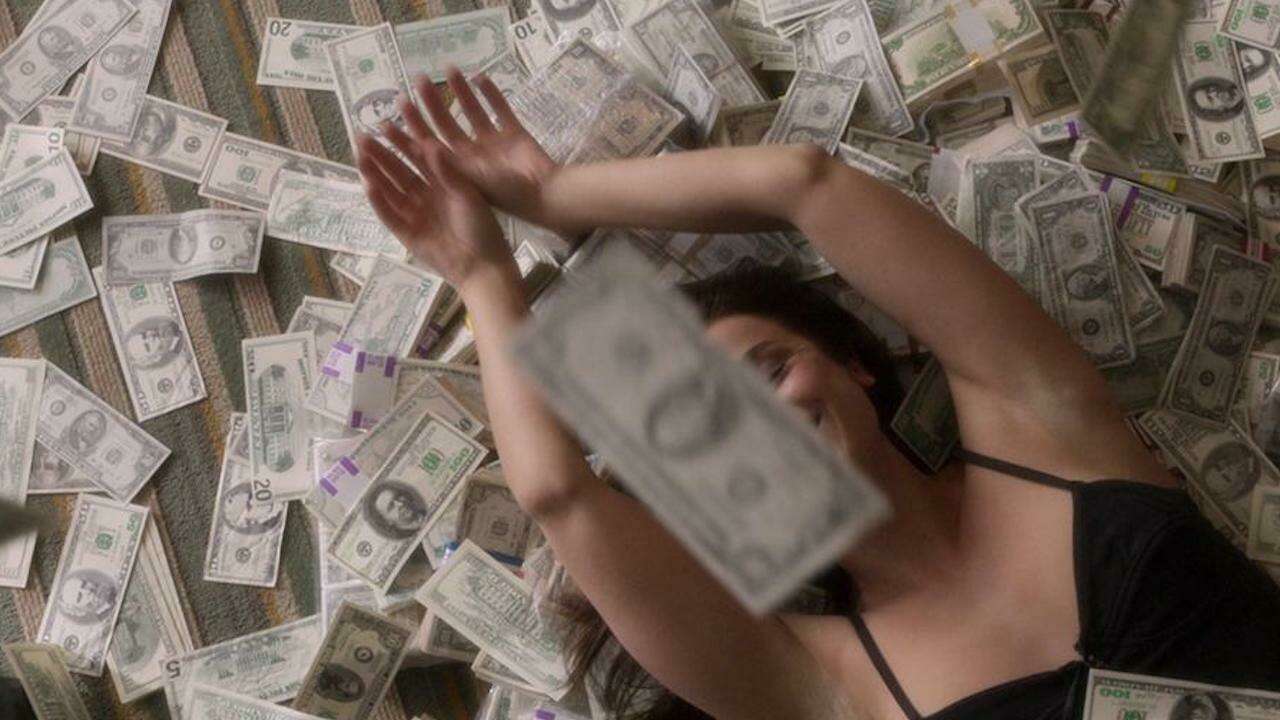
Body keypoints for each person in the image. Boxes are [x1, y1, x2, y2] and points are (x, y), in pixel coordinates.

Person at [355, 67, 1280, 720]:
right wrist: (483, 273)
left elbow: (807, 185)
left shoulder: (1042, 432)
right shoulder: (815, 682)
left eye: (769, 371)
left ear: (856, 365)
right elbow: (556, 490)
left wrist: (556, 193)